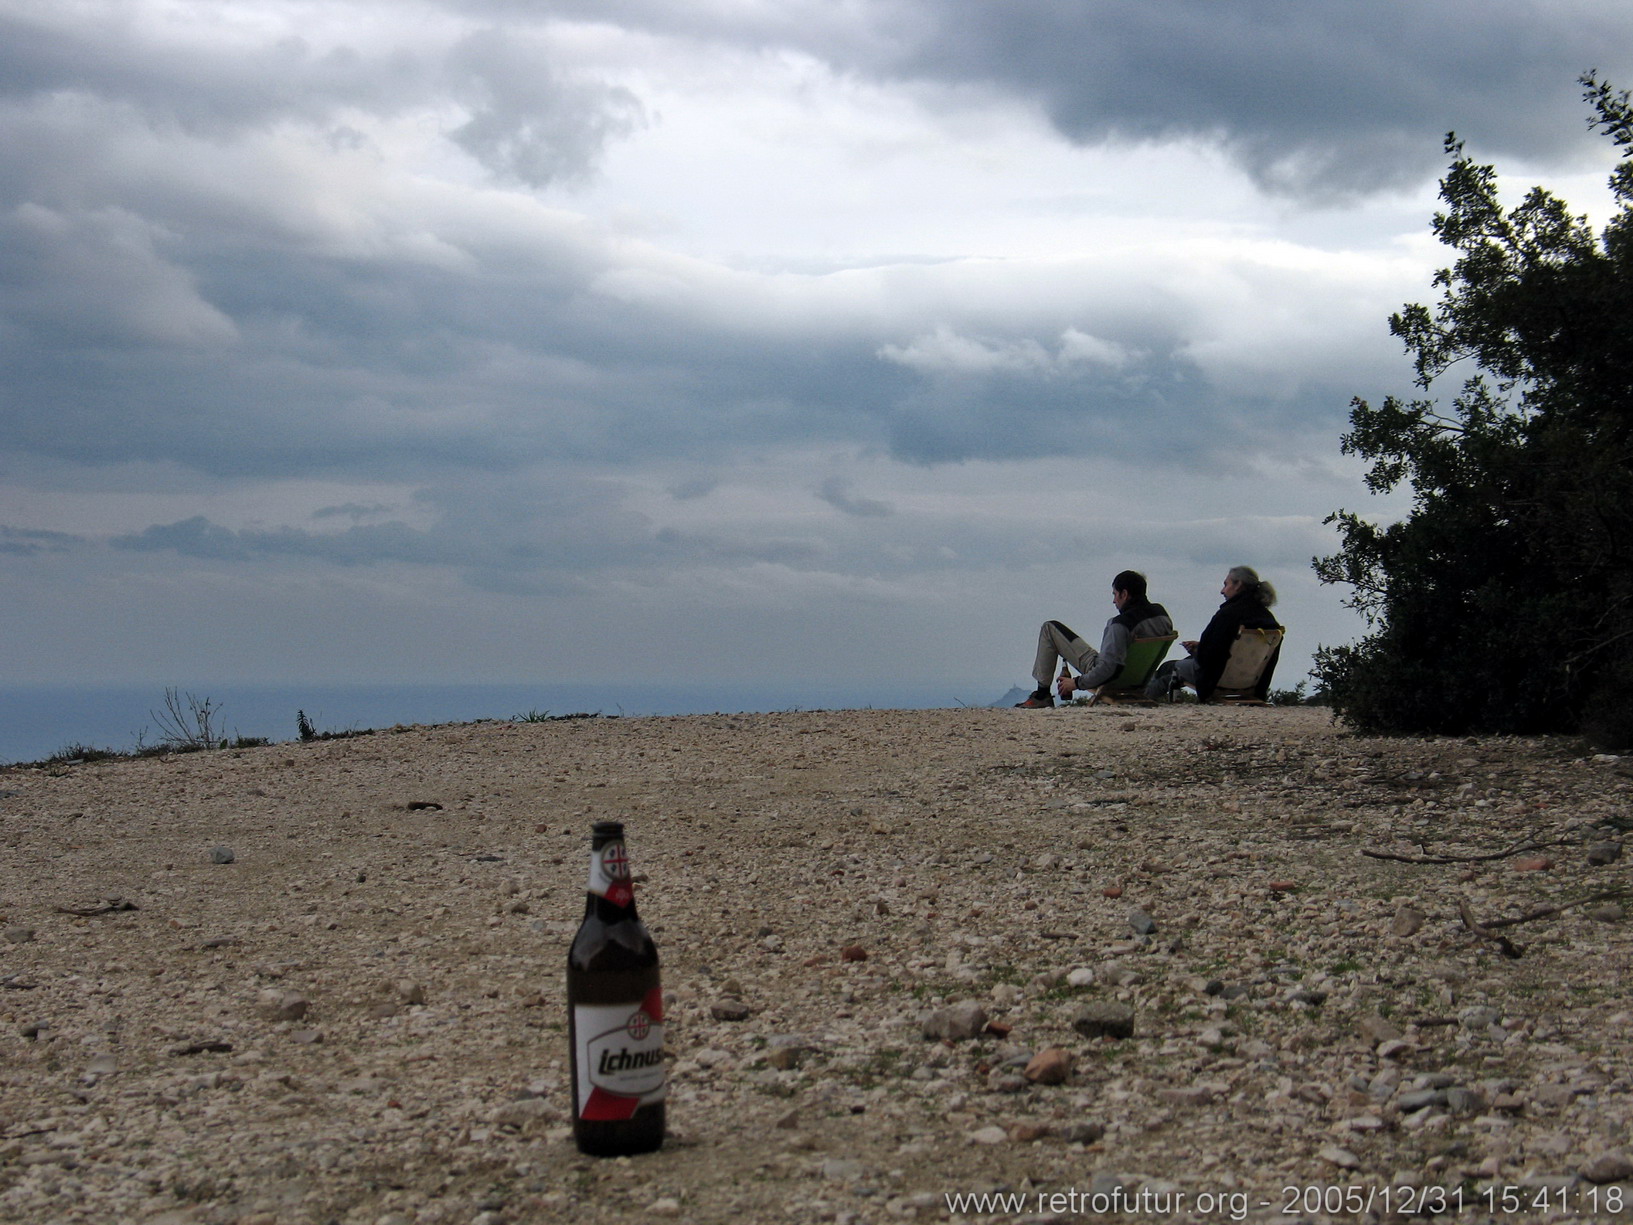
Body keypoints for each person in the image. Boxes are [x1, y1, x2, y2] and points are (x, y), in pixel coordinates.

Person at [1015, 570, 1175, 707]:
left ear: (1124, 594)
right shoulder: (1162, 615)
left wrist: (1076, 683)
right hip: (1139, 678)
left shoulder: (1120, 625)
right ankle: (1042, 695)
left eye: (1115, 595)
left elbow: (1109, 668)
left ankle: (1042, 695)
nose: (1114, 601)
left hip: (1107, 676)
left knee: (1049, 628)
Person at [1147, 565, 1280, 702]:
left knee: (1169, 667)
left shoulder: (1228, 614)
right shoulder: (1268, 619)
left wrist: (1198, 650)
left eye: (1225, 584)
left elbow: (1209, 657)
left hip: (1216, 678)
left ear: (1238, 584)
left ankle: (1145, 698)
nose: (1222, 591)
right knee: (1178, 667)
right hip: (1251, 682)